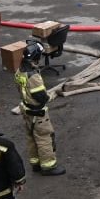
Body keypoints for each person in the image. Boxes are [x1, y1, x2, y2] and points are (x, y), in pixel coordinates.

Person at [16, 46, 65, 176]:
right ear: (36, 58)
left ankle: (36, 163)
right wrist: (52, 95)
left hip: (26, 110)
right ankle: (48, 166)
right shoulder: (34, 77)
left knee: (31, 138)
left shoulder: (19, 71)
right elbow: (42, 97)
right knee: (45, 138)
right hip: (38, 113)